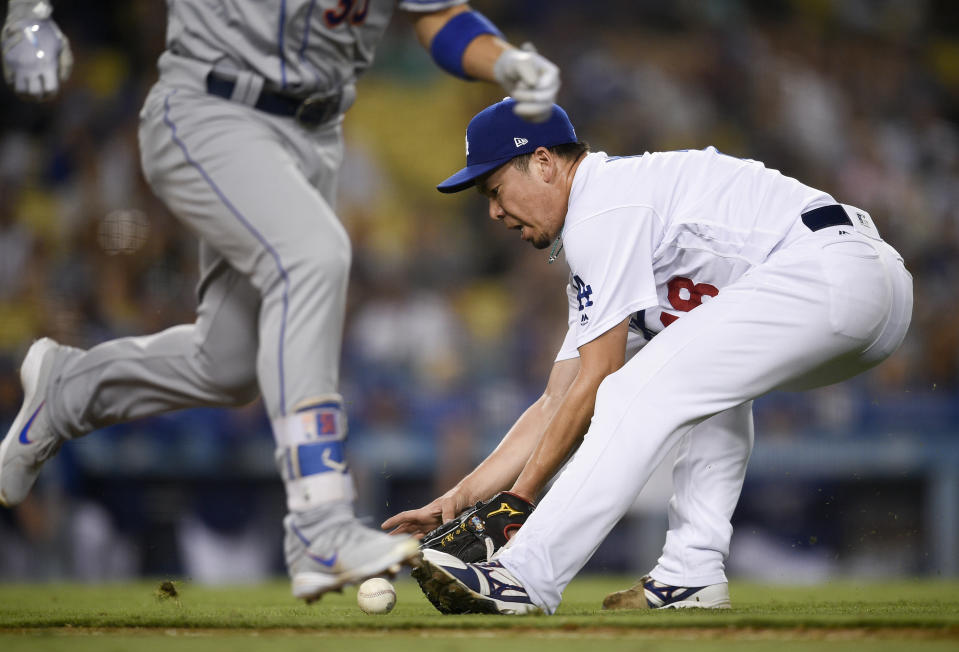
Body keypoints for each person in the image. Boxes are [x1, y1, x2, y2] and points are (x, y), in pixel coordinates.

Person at [0, 0, 560, 602]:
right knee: (313, 254)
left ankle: (70, 387)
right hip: (212, 106)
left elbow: (437, 15)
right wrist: (26, 15)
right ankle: (319, 524)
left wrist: (504, 60)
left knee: (229, 364)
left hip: (313, 136)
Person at [383, 98, 913, 615]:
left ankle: (525, 574)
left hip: (828, 270)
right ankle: (691, 573)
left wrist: (519, 500)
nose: (494, 210)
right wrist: (464, 494)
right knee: (701, 389)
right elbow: (556, 401)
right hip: (865, 290)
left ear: (544, 163)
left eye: (495, 188)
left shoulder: (603, 207)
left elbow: (598, 381)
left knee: (632, 390)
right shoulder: (606, 226)